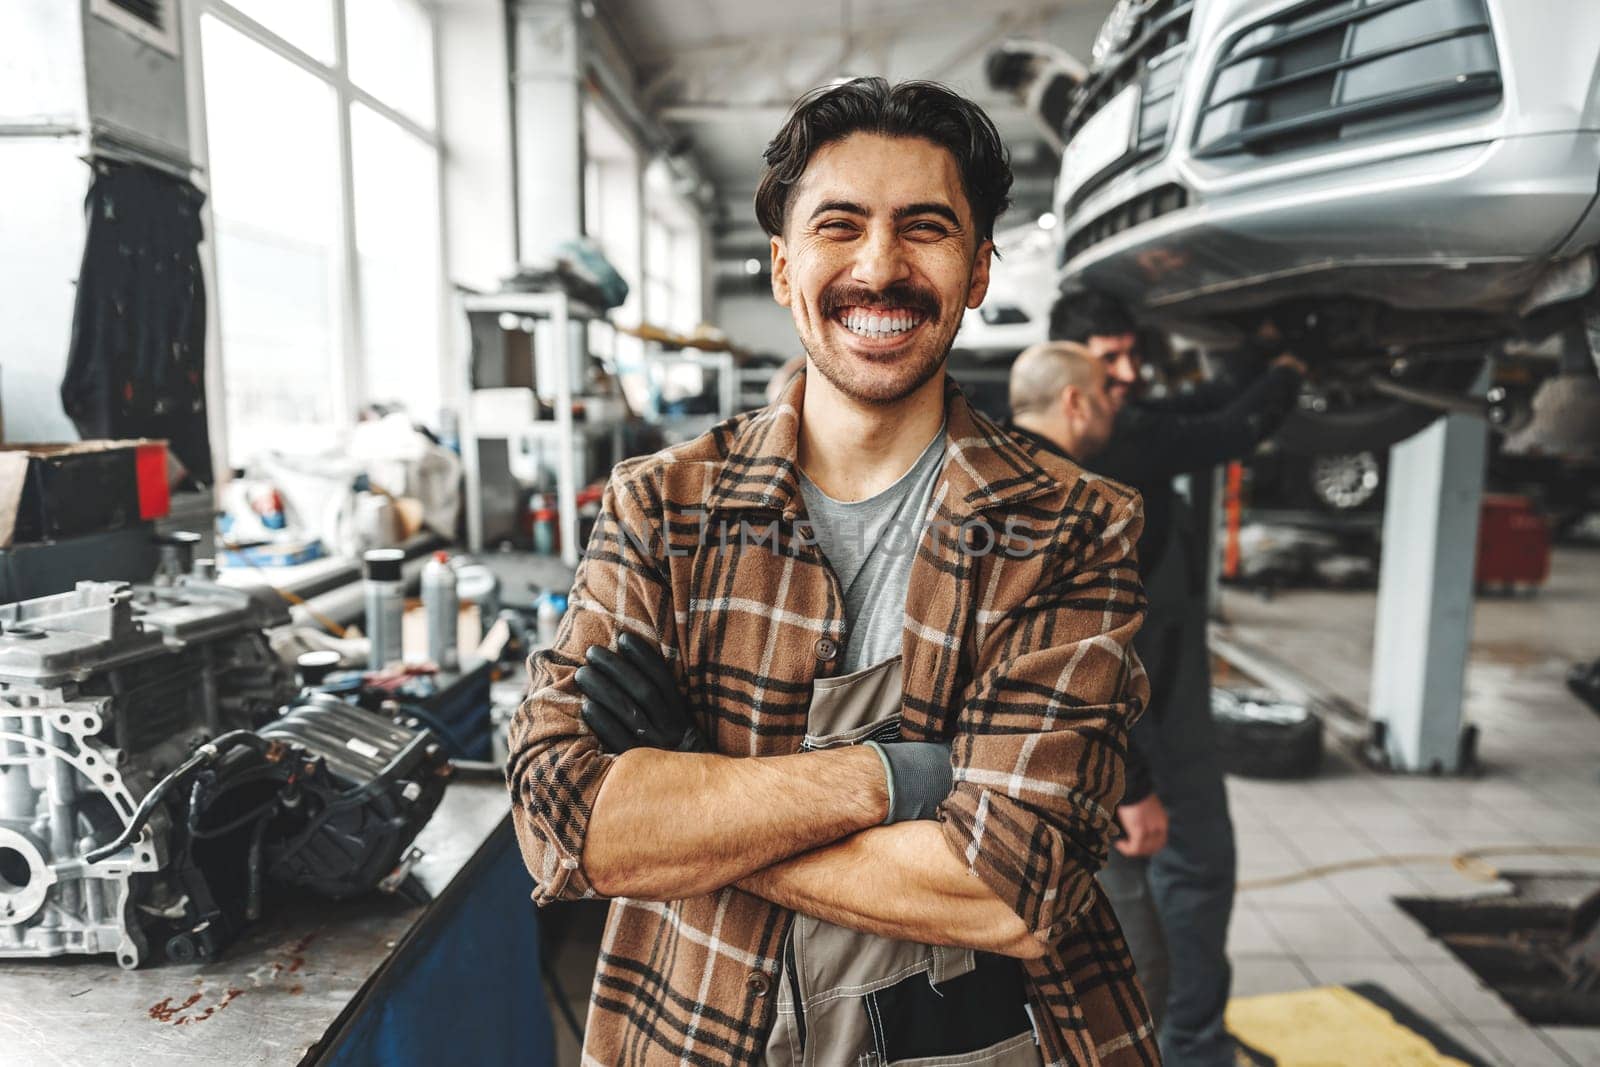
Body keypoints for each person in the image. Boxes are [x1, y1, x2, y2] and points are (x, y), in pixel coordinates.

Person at [508, 79, 1160, 1066]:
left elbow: (1013, 888)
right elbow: (567, 823)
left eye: (926, 228)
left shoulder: (1069, 524)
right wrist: (904, 775)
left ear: (978, 270)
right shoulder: (662, 508)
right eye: (839, 226)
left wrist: (703, 795)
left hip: (978, 1038)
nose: (879, 266)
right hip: (698, 1027)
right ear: (782, 266)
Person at [1050, 290, 1306, 1067]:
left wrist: (1250, 358)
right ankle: (1193, 1049)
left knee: (1147, 891)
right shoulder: (1113, 440)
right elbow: (1231, 427)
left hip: (1153, 701)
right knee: (1195, 875)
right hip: (1151, 713)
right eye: (1109, 357)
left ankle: (1150, 1039)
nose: (1128, 373)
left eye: (1132, 352)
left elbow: (1198, 404)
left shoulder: (1093, 428)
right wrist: (1291, 365)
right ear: (1070, 372)